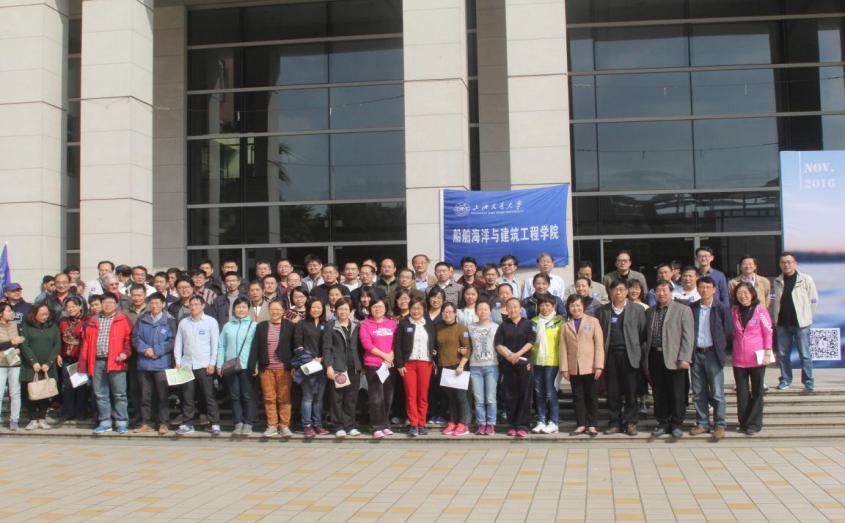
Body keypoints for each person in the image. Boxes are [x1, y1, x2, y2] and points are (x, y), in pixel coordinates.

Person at [644, 282, 694, 439]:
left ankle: (676, 423)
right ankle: (663, 422)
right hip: (655, 356)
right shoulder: (650, 311)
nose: (661, 293)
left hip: (675, 358)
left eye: (664, 290)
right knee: (659, 392)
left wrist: (685, 357)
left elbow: (688, 336)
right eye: (658, 290)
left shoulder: (683, 310)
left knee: (677, 392)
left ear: (671, 292)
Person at [78, 292, 133, 434]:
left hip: (116, 362)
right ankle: (105, 421)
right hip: (97, 362)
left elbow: (128, 341)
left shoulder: (123, 320)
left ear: (116, 304)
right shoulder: (92, 321)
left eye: (110, 303)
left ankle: (121, 421)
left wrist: (125, 353)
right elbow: (86, 344)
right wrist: (83, 364)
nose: (107, 305)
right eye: (105, 303)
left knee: (119, 394)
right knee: (100, 393)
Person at [598, 280, 647, 436]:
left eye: (621, 289)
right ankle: (614, 422)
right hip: (610, 355)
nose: (618, 292)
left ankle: (631, 422)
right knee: (613, 391)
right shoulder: (603, 310)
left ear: (627, 291)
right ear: (610, 292)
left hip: (630, 355)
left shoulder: (638, 309)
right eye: (615, 290)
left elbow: (642, 333)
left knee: (631, 391)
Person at [689, 276, 732, 439]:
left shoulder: (721, 308)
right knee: (698, 391)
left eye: (708, 287)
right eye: (702, 287)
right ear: (697, 289)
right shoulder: (692, 308)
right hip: (696, 354)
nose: (705, 290)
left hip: (713, 354)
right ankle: (702, 423)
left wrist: (721, 350)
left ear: (714, 289)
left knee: (717, 392)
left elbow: (728, 332)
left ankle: (720, 424)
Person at [174, 295, 222, 436]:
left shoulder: (210, 322)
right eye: (191, 304)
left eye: (196, 304)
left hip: (204, 364)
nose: (193, 307)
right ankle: (187, 423)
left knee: (208, 395)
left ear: (203, 306)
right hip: (186, 364)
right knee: (187, 396)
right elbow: (178, 343)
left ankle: (214, 423)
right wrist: (177, 361)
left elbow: (215, 344)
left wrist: (212, 363)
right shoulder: (184, 322)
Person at [771, 252, 818, 391]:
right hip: (782, 324)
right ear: (780, 265)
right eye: (783, 262)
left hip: (801, 324)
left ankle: (808, 380)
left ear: (795, 263)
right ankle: (785, 380)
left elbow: (813, 300)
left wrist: (806, 316)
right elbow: (775, 303)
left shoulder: (805, 279)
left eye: (789, 262)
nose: (786, 265)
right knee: (783, 354)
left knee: (805, 354)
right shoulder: (777, 281)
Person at [732, 282, 774, 435]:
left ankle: (755, 423)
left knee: (757, 391)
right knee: (742, 393)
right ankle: (744, 421)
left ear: (752, 294)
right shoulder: (734, 311)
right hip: (739, 359)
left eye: (746, 293)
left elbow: (768, 331)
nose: (743, 296)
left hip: (757, 358)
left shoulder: (760, 310)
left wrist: (768, 352)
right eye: (739, 293)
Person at [249, 299, 294, 438]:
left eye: (278, 309)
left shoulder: (290, 326)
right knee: (269, 398)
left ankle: (284, 425)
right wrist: (254, 364)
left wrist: (294, 366)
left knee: (284, 398)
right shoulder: (261, 326)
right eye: (272, 309)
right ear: (268, 310)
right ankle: (272, 425)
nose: (275, 312)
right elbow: (255, 346)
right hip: (266, 368)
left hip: (284, 368)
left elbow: (294, 346)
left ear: (283, 311)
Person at [132, 293, 176, 435]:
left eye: (157, 303)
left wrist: (156, 350)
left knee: (162, 395)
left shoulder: (169, 320)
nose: (154, 306)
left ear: (163, 304)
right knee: (145, 395)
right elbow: (135, 338)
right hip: (144, 363)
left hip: (162, 363)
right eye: (152, 303)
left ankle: (163, 423)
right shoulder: (142, 319)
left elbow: (172, 340)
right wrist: (145, 349)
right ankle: (146, 422)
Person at [560, 295, 604, 437]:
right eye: (572, 306)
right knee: (577, 396)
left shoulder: (593, 321)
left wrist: (599, 365)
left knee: (591, 396)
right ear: (568, 308)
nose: (576, 308)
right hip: (574, 367)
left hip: (590, 366)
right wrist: (564, 368)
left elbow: (599, 345)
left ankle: (592, 425)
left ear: (583, 306)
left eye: (578, 305)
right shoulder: (565, 326)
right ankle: (581, 424)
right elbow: (563, 348)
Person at [393, 297, 436, 437]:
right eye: (413, 308)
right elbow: (397, 346)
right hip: (409, 364)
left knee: (423, 395)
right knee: (411, 395)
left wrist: (433, 350)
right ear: (409, 309)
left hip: (425, 363)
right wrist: (400, 364)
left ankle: (422, 423)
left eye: (419, 308)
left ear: (424, 309)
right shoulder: (404, 324)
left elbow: (434, 342)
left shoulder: (429, 324)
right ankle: (413, 423)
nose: (416, 311)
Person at [216, 297, 257, 435]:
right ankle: (238, 422)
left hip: (247, 366)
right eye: (238, 307)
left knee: (247, 395)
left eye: (244, 307)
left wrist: (256, 365)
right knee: (234, 396)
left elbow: (257, 348)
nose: (241, 310)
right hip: (230, 366)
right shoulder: (227, 326)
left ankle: (248, 423)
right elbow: (221, 346)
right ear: (233, 309)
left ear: (248, 309)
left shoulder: (254, 325)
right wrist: (219, 364)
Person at [495, 298, 535, 437]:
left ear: (520, 309)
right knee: (510, 395)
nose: (512, 310)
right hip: (508, 364)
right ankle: (513, 425)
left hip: (524, 364)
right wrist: (509, 355)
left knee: (525, 394)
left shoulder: (528, 324)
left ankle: (523, 425)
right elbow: (498, 344)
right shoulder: (503, 325)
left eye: (515, 307)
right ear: (506, 309)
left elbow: (531, 341)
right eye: (510, 307)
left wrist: (517, 354)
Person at [323, 297, 362, 438]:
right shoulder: (330, 326)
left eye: (346, 309)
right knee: (337, 398)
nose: (343, 312)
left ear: (350, 311)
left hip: (354, 367)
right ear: (335, 310)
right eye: (340, 309)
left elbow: (360, 347)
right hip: (338, 367)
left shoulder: (356, 326)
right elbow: (327, 348)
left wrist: (361, 365)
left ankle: (350, 425)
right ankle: (337, 426)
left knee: (351, 398)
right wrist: (328, 366)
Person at [359, 298, 397, 439]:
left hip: (389, 365)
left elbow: (395, 342)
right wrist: (384, 355)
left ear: (385, 308)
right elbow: (366, 344)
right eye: (374, 306)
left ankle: (385, 424)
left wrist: (391, 355)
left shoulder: (391, 324)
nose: (377, 309)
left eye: (380, 306)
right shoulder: (365, 325)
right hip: (373, 365)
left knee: (388, 396)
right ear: (370, 309)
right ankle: (376, 426)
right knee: (376, 397)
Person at [20, 303, 61, 430]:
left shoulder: (53, 326)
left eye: (46, 314)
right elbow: (24, 345)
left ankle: (42, 419)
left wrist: (49, 363)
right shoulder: (27, 327)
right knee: (32, 392)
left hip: (47, 366)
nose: (45, 317)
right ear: (35, 314)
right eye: (42, 314)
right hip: (31, 365)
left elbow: (57, 345)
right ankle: (32, 419)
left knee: (45, 392)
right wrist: (33, 362)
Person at [293, 298, 328, 438]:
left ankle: (317, 423)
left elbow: (328, 345)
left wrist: (322, 358)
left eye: (319, 307)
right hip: (307, 364)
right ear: (308, 308)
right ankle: (307, 425)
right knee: (308, 397)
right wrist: (309, 359)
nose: (316, 309)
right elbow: (297, 345)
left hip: (322, 365)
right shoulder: (301, 324)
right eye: (313, 307)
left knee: (319, 397)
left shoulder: (326, 324)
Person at [435, 303, 471, 436]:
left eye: (450, 312)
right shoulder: (438, 328)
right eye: (445, 312)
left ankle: (463, 423)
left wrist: (461, 365)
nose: (447, 314)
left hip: (458, 366)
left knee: (461, 397)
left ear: (455, 313)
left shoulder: (462, 328)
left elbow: (467, 349)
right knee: (450, 397)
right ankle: (452, 422)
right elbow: (436, 346)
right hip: (443, 366)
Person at [531, 295, 564, 435]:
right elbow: (530, 342)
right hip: (537, 361)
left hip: (553, 362)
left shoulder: (559, 321)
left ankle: (554, 422)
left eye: (548, 305)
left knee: (550, 393)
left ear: (553, 306)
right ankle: (541, 420)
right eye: (542, 305)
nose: (544, 308)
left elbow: (562, 343)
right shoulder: (534, 321)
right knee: (539, 392)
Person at [468, 300, 499, 435]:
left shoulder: (496, 327)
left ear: (490, 311)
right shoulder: (470, 327)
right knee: (478, 398)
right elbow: (466, 344)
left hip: (492, 365)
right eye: (480, 309)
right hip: (475, 366)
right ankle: (481, 423)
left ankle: (491, 423)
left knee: (491, 398)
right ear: (476, 312)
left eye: (485, 309)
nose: (483, 312)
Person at [58, 295, 89, 422]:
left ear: (80, 306)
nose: (71, 309)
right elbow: (59, 339)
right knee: (67, 386)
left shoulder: (86, 320)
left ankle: (81, 412)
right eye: (68, 307)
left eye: (74, 306)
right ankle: (68, 412)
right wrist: (58, 354)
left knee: (80, 385)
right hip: (66, 357)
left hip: (80, 357)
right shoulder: (63, 321)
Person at [0, 302, 24, 430]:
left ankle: (14, 420)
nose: (11, 313)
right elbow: (12, 342)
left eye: (11, 311)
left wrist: (19, 347)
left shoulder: (15, 325)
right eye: (8, 311)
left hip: (14, 362)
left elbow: (20, 341)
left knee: (15, 392)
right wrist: (11, 342)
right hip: (1, 363)